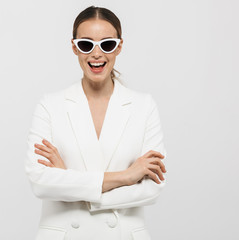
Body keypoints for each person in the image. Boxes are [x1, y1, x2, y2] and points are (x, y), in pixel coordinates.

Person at [25, 6, 167, 240]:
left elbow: (153, 188)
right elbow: (40, 182)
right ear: (74, 47)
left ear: (119, 46)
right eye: (86, 44)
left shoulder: (144, 106)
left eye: (107, 44)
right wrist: (127, 176)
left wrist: (69, 179)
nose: (97, 53)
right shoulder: (50, 105)